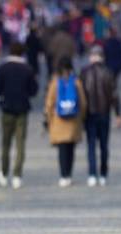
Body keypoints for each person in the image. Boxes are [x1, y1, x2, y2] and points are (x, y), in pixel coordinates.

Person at [0, 41, 39, 189]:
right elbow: (33, 91)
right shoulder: (27, 69)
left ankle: (4, 172)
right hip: (22, 110)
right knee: (20, 144)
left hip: (7, 108)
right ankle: (17, 175)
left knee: (6, 143)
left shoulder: (3, 68)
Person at [80, 45, 121, 187]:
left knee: (91, 145)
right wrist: (118, 114)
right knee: (104, 145)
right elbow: (114, 95)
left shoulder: (84, 72)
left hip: (89, 113)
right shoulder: (108, 72)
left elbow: (80, 95)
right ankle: (103, 174)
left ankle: (92, 174)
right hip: (104, 113)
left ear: (91, 57)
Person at [44, 57, 87, 187]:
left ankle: (63, 176)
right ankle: (69, 174)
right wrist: (82, 117)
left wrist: (48, 119)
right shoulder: (76, 82)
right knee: (71, 149)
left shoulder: (55, 82)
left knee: (62, 150)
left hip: (59, 121)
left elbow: (49, 103)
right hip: (73, 121)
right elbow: (83, 103)